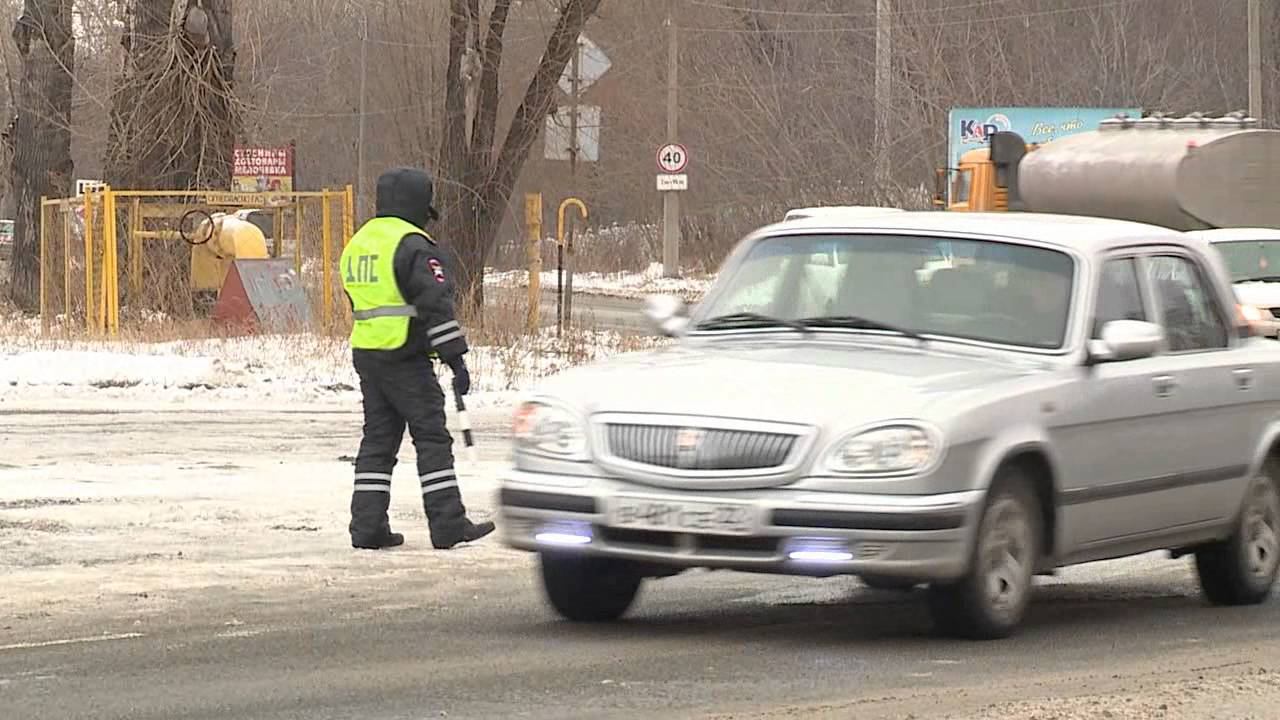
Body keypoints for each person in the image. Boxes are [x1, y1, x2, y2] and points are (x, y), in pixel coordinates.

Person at [338, 166, 495, 550]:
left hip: (368, 353)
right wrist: (455, 359)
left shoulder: (359, 242)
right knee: (431, 439)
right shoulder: (413, 245)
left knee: (377, 441)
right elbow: (436, 306)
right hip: (405, 357)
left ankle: (368, 527)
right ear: (417, 204)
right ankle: (448, 524)